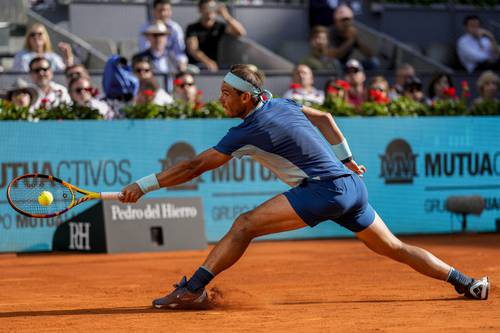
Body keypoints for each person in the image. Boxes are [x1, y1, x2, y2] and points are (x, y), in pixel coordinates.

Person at [119, 64, 489, 309]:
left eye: (227, 94)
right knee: (394, 247)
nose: (221, 100)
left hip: (325, 190)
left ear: (246, 97)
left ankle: (192, 290)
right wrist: (346, 160)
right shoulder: (284, 103)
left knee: (244, 225)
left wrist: (144, 185)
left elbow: (195, 165)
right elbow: (327, 118)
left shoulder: (248, 130)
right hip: (351, 186)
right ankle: (467, 283)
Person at [186, 0, 246, 72]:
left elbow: (240, 33)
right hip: (197, 65)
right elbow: (193, 50)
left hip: (216, 65)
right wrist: (208, 62)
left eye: (212, 8)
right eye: (206, 7)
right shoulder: (192, 28)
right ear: (200, 9)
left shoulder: (220, 26)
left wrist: (226, 16)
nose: (209, 10)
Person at [138, 0, 188, 72]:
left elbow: (179, 52)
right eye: (155, 35)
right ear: (154, 11)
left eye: (162, 35)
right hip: (150, 65)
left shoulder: (175, 28)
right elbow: (144, 50)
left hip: (171, 64)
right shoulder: (145, 27)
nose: (163, 14)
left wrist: (181, 65)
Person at [328, 4, 378, 69]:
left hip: (348, 64)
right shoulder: (330, 33)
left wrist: (356, 39)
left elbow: (370, 54)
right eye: (343, 20)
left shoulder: (353, 32)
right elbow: (334, 55)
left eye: (348, 20)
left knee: (374, 62)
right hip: (333, 66)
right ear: (336, 21)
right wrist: (350, 40)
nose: (346, 23)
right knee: (336, 63)